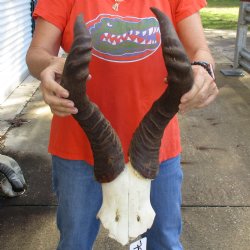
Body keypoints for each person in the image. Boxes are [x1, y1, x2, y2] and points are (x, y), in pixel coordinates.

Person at [26, 0, 218, 249]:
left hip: (156, 148)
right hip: (79, 146)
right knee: (74, 242)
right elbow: (36, 54)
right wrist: (49, 65)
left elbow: (200, 50)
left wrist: (203, 69)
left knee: (165, 242)